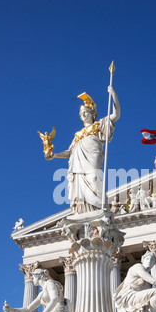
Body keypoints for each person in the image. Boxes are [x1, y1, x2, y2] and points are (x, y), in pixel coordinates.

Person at [46, 86, 120, 215]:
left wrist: (113, 95)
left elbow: (116, 114)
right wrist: (54, 155)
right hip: (78, 163)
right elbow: (69, 152)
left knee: (94, 180)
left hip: (93, 157)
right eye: (81, 113)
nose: (83, 114)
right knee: (79, 188)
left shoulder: (98, 125)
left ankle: (99, 209)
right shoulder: (78, 135)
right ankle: (83, 212)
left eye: (85, 112)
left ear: (92, 114)